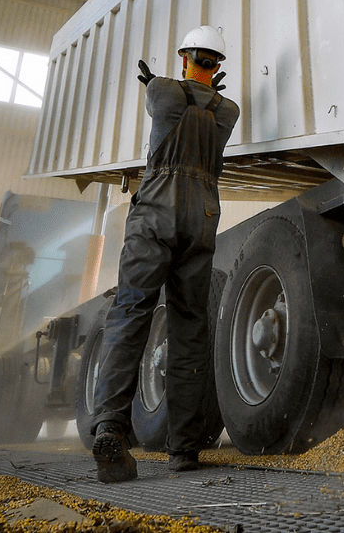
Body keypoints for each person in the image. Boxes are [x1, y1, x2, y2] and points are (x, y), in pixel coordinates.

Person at [90, 25, 240, 483]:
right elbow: (201, 103)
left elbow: (166, 101)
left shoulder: (160, 89)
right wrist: (205, 89)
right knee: (190, 329)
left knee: (131, 313)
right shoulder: (227, 108)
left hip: (156, 213)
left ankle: (111, 429)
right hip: (201, 217)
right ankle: (184, 450)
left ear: (184, 58)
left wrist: (163, 79)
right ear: (217, 66)